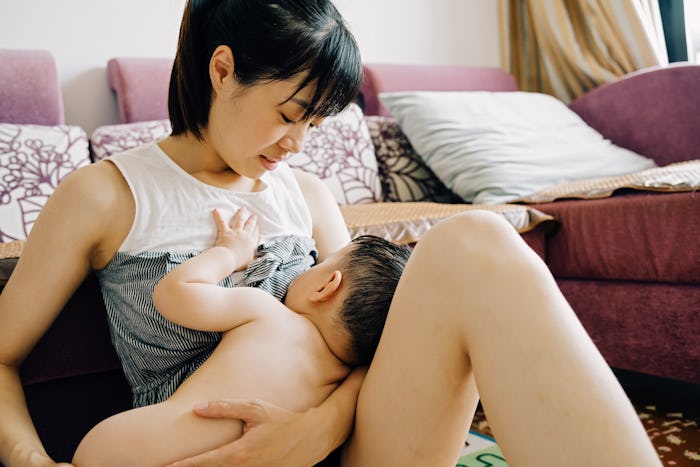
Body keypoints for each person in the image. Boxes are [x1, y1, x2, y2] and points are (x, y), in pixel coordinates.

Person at [0, 0, 661, 466]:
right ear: (223, 70)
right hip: (189, 451)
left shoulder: (307, 194)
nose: (298, 144)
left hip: (347, 448)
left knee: (477, 239)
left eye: (315, 124)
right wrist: (30, 458)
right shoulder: (107, 194)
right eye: (291, 114)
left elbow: (367, 349)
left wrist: (317, 430)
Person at [71, 207, 410, 466]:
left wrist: (230, 253)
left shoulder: (267, 313)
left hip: (129, 452)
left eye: (320, 264)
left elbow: (173, 293)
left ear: (326, 286)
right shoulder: (340, 387)